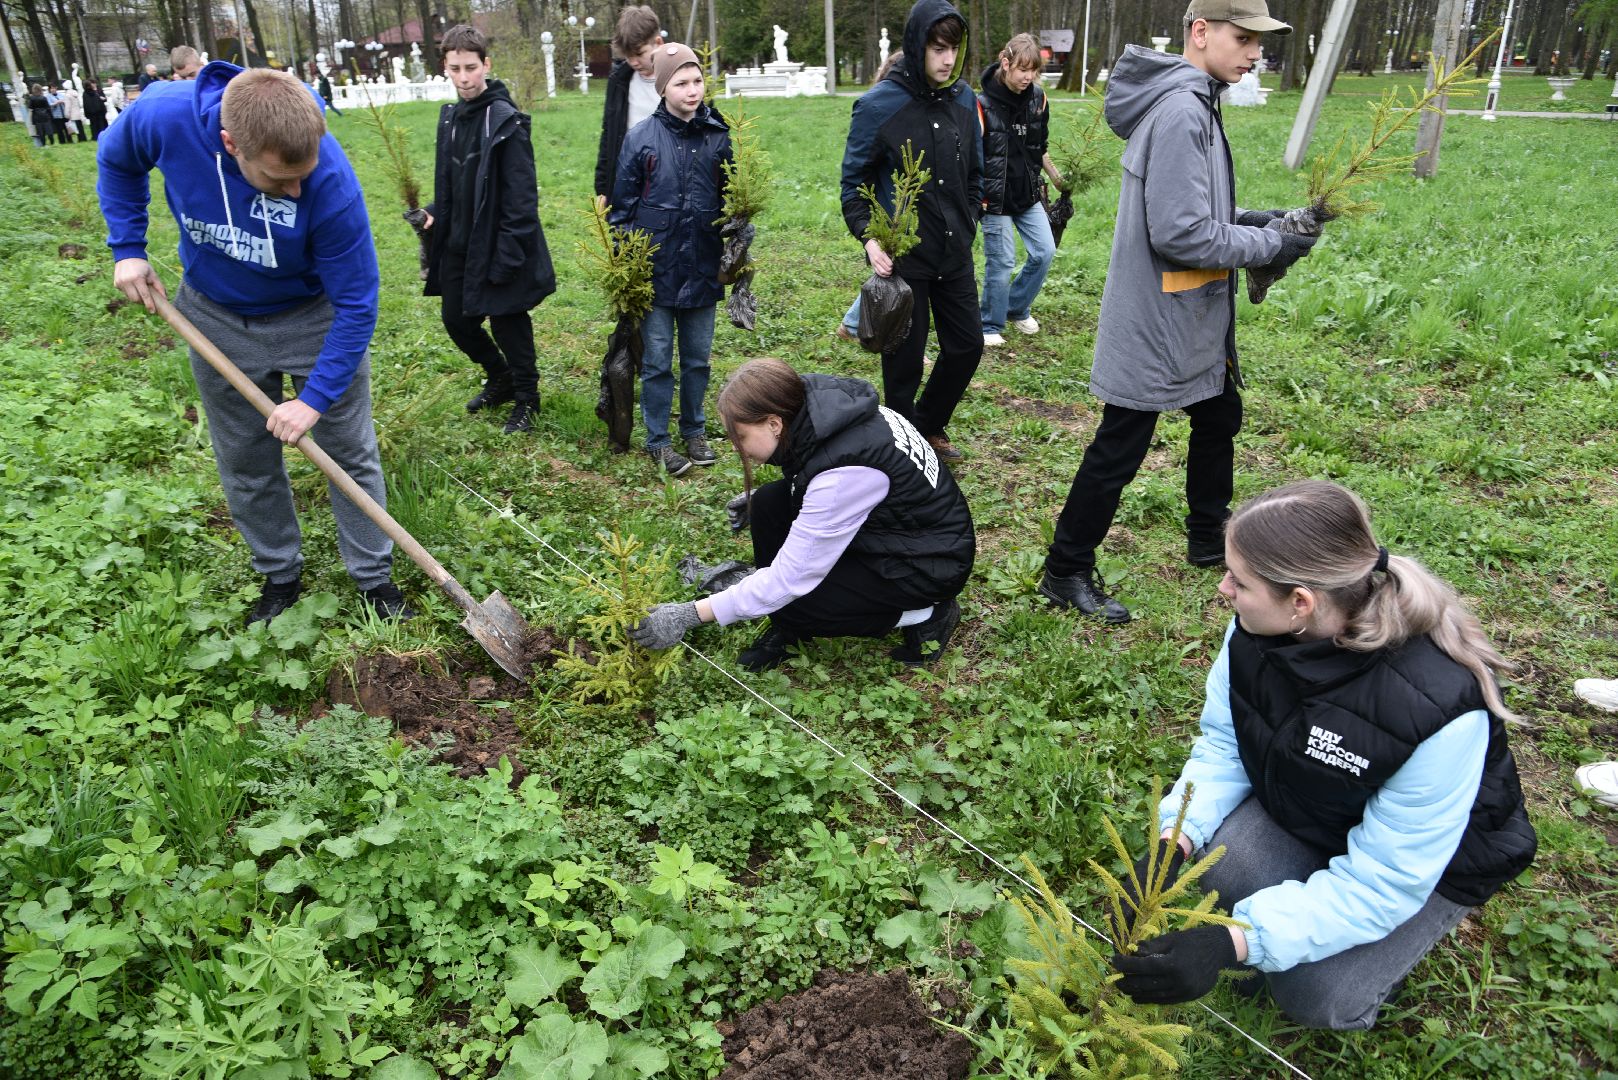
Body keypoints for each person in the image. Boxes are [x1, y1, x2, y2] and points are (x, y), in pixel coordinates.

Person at [1109, 480, 1537, 1030]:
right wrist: (1174, 839)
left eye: (1238, 580)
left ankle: (1382, 958)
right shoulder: (1254, 630)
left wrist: (1231, 943)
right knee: (1223, 866)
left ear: (1301, 603)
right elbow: (1224, 742)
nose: (1223, 588)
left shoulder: (1437, 709)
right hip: (1326, 808)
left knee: (1317, 994)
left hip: (1430, 867)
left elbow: (1382, 881)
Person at [97, 63, 411, 624]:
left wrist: (312, 401)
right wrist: (127, 247)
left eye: (302, 176)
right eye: (277, 179)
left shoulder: (330, 185)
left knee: (348, 451)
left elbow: (358, 305)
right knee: (244, 455)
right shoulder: (162, 116)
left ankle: (373, 580)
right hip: (214, 316)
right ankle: (279, 575)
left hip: (312, 318)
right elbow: (116, 160)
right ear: (229, 142)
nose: (296, 189)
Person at [1038, 0, 1318, 623]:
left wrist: (1261, 220)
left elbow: (1201, 208)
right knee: (1121, 445)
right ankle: (1065, 569)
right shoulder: (1181, 113)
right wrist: (1271, 244)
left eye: (1259, 41)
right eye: (1243, 38)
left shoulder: (1200, 103)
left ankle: (1205, 537)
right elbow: (1181, 234)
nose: (1253, 53)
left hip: (1190, 313)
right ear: (1200, 32)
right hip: (1158, 318)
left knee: (1220, 414)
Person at [629, 358, 975, 671]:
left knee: (795, 602)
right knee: (767, 502)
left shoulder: (845, 470)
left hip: (928, 564)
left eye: (740, 436)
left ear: (774, 423)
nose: (736, 447)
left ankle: (928, 614)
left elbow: (790, 579)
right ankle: (787, 623)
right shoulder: (825, 410)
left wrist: (691, 614)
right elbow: (825, 475)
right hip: (898, 530)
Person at [840, 0, 983, 463]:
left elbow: (977, 172)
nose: (946, 59)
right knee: (903, 365)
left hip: (955, 252)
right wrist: (870, 236)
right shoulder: (878, 106)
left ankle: (928, 425)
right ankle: (902, 454)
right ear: (917, 46)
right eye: (937, 48)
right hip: (905, 259)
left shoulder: (964, 99)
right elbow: (854, 186)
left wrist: (970, 219)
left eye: (953, 49)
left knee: (966, 348)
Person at [421, 23, 556, 434]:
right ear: (444, 67)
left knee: (507, 321)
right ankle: (500, 377)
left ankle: (528, 397)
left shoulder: (505, 121)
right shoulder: (451, 119)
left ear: (486, 65)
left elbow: (520, 200)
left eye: (471, 67)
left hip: (499, 244)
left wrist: (509, 255)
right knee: (456, 320)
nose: (464, 77)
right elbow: (454, 184)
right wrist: (433, 215)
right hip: (460, 244)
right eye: (455, 68)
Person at [609, 42, 730, 477]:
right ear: (663, 88)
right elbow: (621, 211)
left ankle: (694, 430)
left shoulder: (718, 136)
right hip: (655, 273)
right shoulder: (640, 138)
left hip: (701, 266)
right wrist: (630, 268)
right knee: (658, 360)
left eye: (697, 80)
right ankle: (658, 439)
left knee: (697, 359)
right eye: (681, 82)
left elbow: (732, 201)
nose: (692, 90)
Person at [977, 33, 1065, 347]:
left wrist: (1056, 179)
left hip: (1027, 195)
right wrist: (978, 198)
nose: (1028, 77)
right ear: (1005, 63)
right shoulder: (982, 103)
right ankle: (989, 324)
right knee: (1000, 263)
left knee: (1044, 252)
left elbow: (1039, 147)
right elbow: (973, 156)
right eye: (1022, 69)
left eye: (1033, 71)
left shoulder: (1038, 99)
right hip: (994, 199)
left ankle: (1015, 307)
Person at [834, 47, 905, 345]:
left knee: (892, 274)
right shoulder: (879, 114)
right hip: (887, 211)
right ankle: (897, 336)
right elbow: (858, 175)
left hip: (902, 209)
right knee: (899, 275)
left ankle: (852, 323)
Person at [594, 4, 663, 202]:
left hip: (669, 183)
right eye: (628, 55)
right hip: (629, 182)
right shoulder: (620, 80)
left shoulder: (684, 79)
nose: (633, 62)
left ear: (658, 42)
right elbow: (609, 133)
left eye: (639, 53)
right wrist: (603, 188)